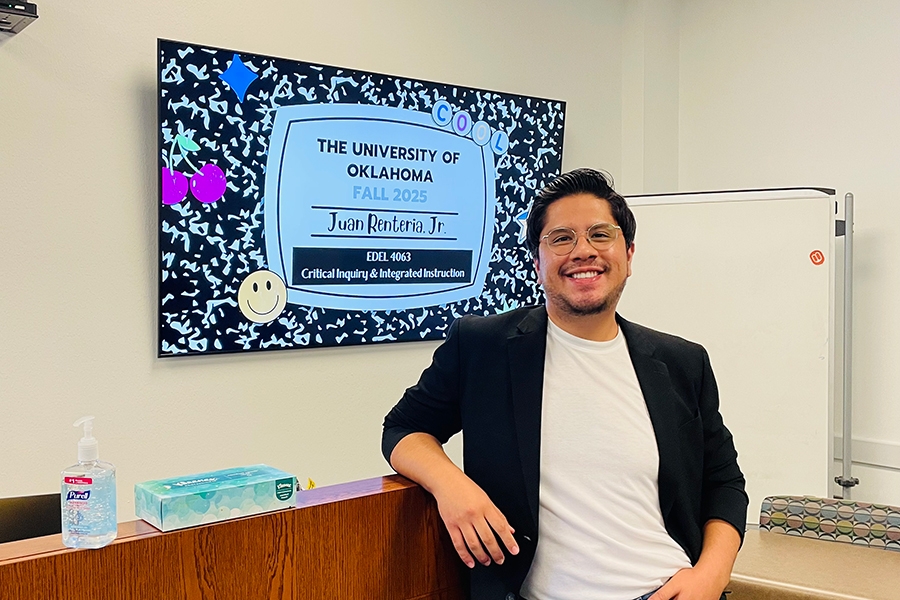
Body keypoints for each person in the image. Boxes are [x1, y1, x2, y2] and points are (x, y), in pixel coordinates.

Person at [382, 168, 748, 600]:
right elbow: (403, 430)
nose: (583, 252)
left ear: (628, 255)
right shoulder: (484, 347)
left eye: (600, 235)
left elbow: (723, 482)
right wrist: (451, 485)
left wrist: (711, 576)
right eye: (561, 238)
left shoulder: (682, 362)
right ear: (537, 262)